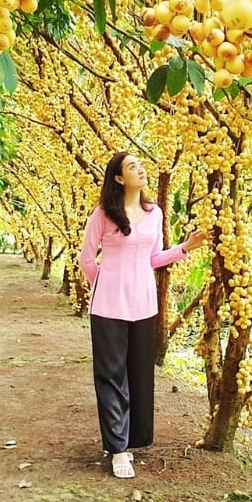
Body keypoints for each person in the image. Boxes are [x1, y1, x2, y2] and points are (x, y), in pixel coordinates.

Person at [79, 152, 207, 479]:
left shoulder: (154, 213)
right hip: (108, 305)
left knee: (139, 374)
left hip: (144, 304)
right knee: (111, 377)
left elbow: (153, 258)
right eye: (132, 167)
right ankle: (117, 449)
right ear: (119, 178)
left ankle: (132, 438)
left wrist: (186, 247)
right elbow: (87, 260)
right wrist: (104, 284)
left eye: (140, 165)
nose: (140, 169)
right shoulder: (104, 214)